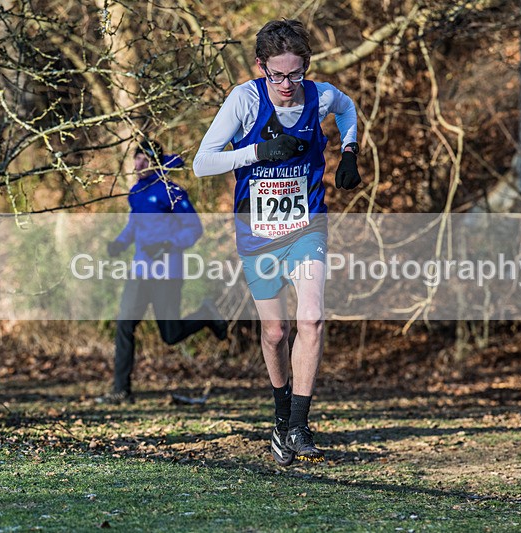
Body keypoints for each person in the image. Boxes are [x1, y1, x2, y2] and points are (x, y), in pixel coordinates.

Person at [193, 19, 361, 465]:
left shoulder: (320, 95)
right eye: (277, 75)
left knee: (312, 320)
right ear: (261, 66)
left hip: (308, 226)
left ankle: (301, 427)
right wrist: (258, 152)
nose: (286, 85)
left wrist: (350, 151)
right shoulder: (245, 100)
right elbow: (201, 163)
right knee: (275, 331)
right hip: (258, 232)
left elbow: (347, 109)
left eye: (295, 74)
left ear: (306, 66)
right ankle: (281, 417)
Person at [96, 139, 228, 405]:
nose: (138, 164)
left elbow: (194, 229)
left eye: (144, 159)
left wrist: (169, 243)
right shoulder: (136, 192)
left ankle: (205, 314)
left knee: (170, 335)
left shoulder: (172, 192)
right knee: (124, 325)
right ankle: (121, 390)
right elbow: (134, 225)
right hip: (140, 271)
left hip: (167, 272)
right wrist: (120, 243)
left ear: (156, 162)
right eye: (135, 158)